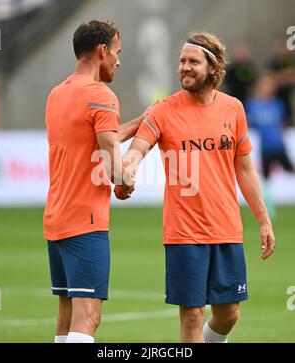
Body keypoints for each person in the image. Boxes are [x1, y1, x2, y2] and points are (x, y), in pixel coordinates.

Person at [115, 32, 275, 343]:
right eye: (181, 61)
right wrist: (128, 170)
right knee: (192, 316)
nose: (184, 68)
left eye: (193, 62)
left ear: (213, 68)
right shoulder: (162, 110)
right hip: (184, 231)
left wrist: (264, 219)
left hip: (227, 227)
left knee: (229, 313)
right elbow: (137, 150)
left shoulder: (234, 109)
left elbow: (244, 169)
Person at [44, 20, 143, 343]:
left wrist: (142, 121)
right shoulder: (102, 95)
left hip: (57, 220)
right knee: (88, 318)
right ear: (102, 51)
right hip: (85, 221)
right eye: (117, 51)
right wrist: (126, 180)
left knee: (67, 315)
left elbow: (98, 138)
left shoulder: (58, 94)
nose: (119, 60)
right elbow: (113, 161)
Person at [246, 73, 294, 219]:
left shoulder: (277, 104)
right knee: (265, 178)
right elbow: (249, 123)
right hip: (265, 148)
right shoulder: (252, 105)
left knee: (290, 170)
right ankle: (269, 210)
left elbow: (283, 123)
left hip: (279, 146)